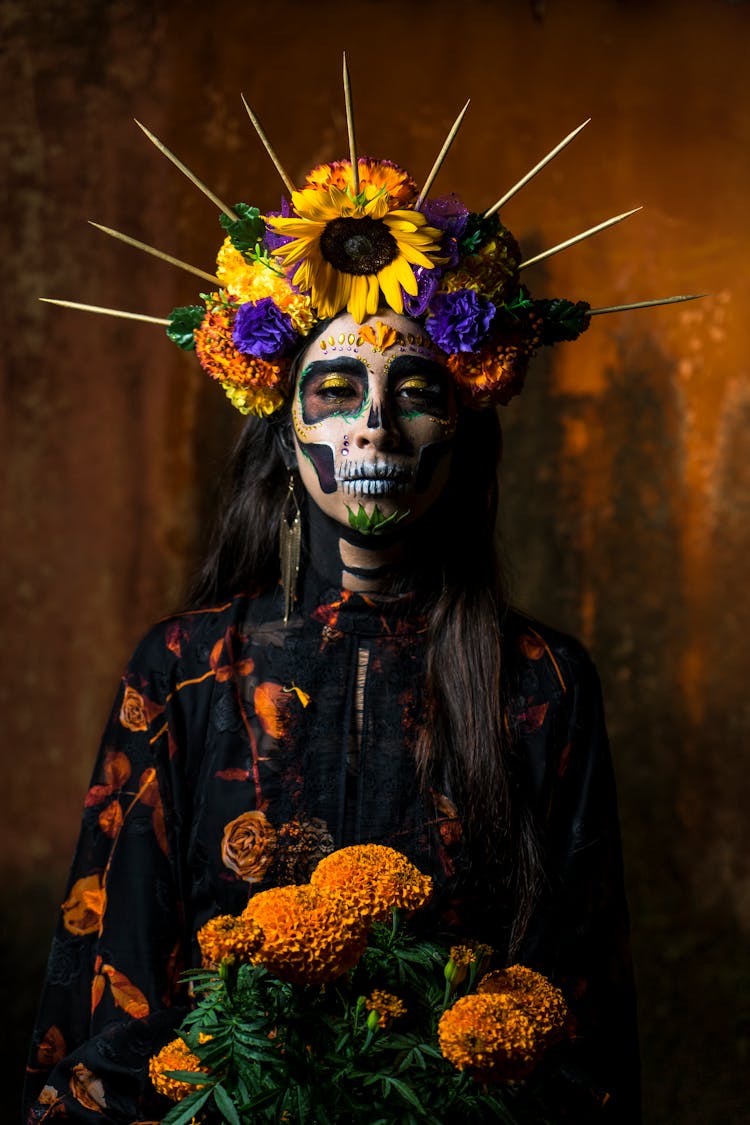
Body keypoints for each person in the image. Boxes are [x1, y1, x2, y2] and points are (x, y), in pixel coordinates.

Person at [24, 112, 661, 1123]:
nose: (373, 422)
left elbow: (574, 999)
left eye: (415, 390)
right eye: (335, 387)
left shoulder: (541, 682)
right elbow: (121, 979)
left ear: (463, 432)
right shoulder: (186, 670)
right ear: (284, 430)